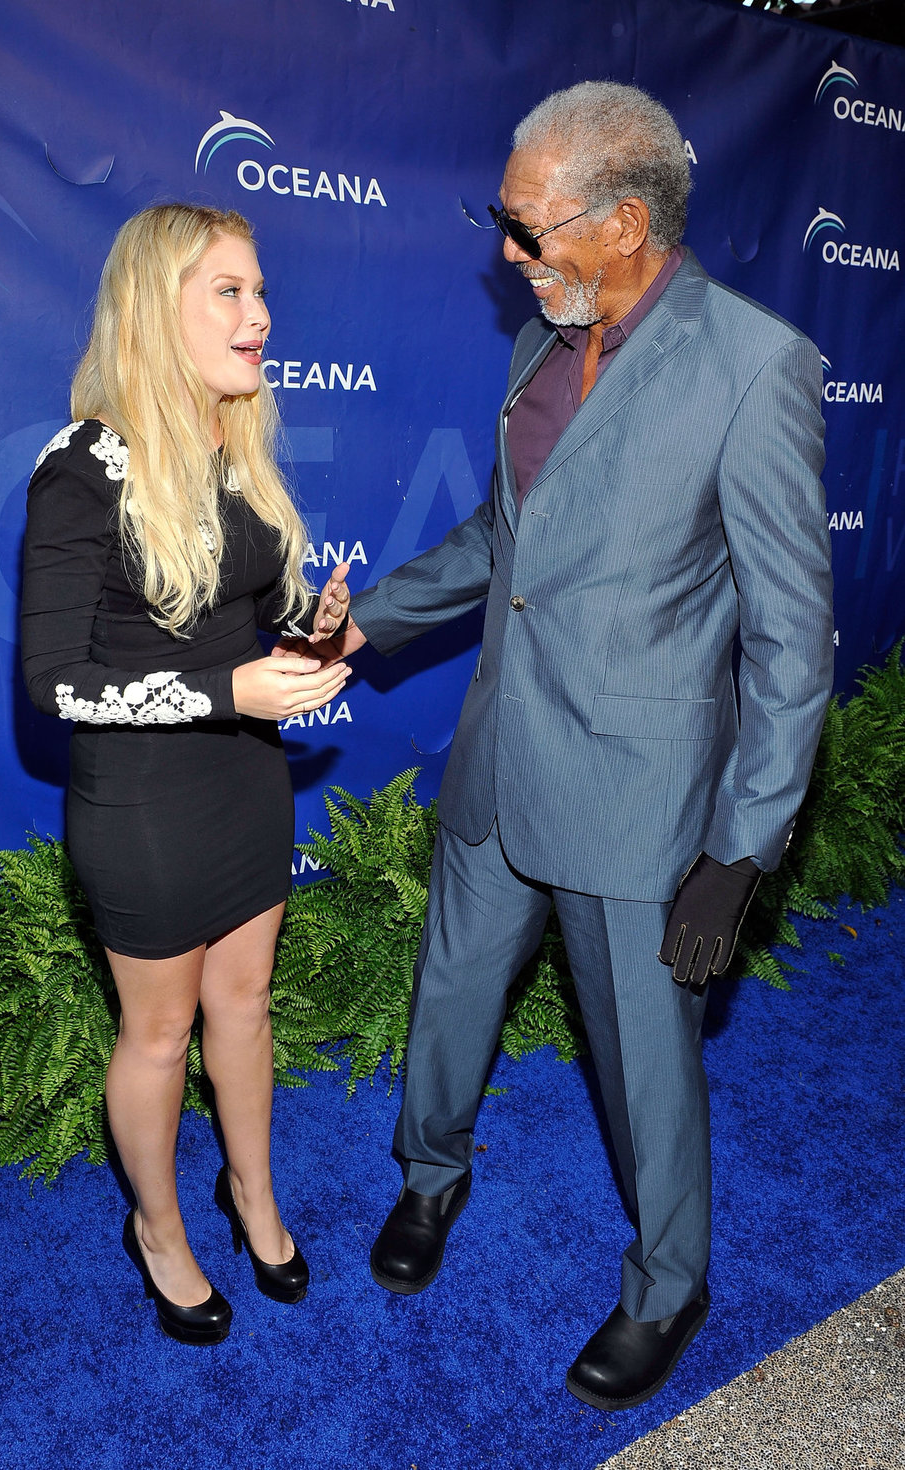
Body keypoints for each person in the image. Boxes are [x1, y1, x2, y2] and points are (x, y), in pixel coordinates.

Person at [340, 83, 833, 1408]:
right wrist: (365, 619)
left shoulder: (754, 368)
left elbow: (793, 644)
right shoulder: (542, 338)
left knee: (646, 1063)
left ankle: (668, 1285)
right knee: (451, 996)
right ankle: (429, 1179)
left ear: (624, 223)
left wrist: (740, 849)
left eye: (527, 225)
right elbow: (506, 544)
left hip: (637, 794)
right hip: (501, 752)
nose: (507, 251)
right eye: (500, 220)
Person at [22, 204, 351, 1345]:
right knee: (158, 1034)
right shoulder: (84, 466)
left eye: (260, 293)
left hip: (246, 780)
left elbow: (243, 616)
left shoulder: (234, 443)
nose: (260, 316)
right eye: (230, 291)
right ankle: (158, 1230)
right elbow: (53, 682)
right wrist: (227, 692)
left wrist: (310, 627)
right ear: (157, 307)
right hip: (145, 806)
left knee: (245, 1004)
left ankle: (252, 1194)